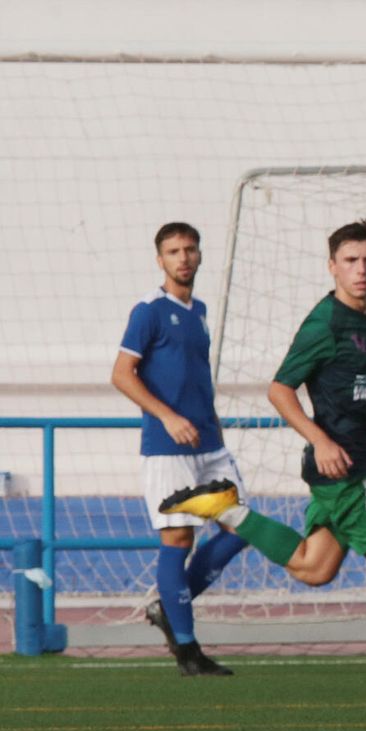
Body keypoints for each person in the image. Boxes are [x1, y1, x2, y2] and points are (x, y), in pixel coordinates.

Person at [157, 219, 366, 701]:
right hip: (343, 466)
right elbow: (279, 390)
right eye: (350, 261)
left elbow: (360, 383)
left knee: (315, 568)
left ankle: (228, 511)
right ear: (332, 267)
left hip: (353, 458)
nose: (361, 270)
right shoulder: (325, 322)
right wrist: (319, 440)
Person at [111, 222, 250, 676]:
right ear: (160, 260)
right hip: (167, 447)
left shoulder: (201, 311)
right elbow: (121, 374)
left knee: (242, 527)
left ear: (200, 255)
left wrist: (216, 430)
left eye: (190, 249)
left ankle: (168, 606)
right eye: (173, 251)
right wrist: (168, 417)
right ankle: (188, 650)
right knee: (179, 538)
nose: (183, 258)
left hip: (210, 445)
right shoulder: (148, 311)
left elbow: (197, 378)